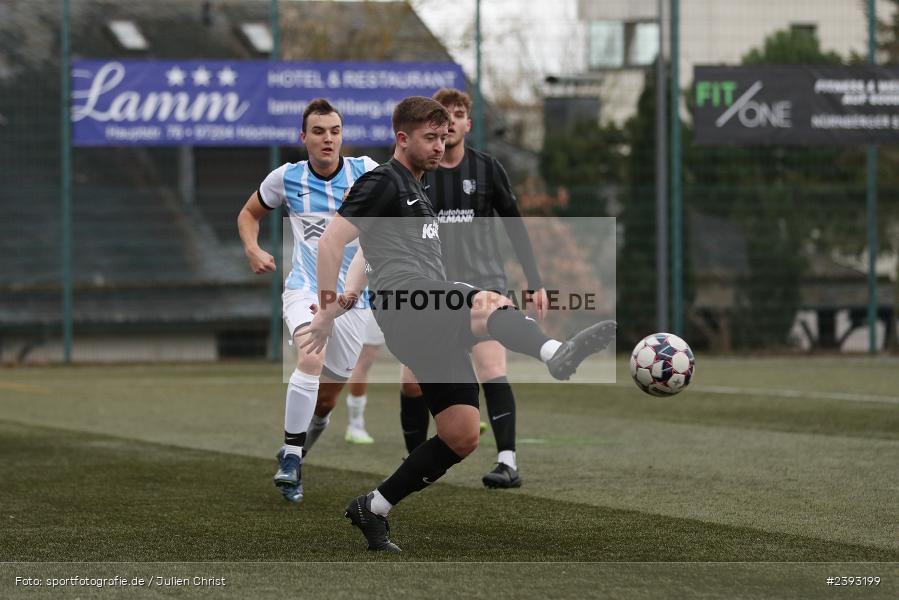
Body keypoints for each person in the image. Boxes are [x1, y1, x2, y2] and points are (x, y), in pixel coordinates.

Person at [300, 96, 616, 552]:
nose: (439, 146)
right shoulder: (383, 181)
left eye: (443, 137)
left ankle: (374, 506)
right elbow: (332, 242)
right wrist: (327, 309)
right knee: (486, 299)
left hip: (421, 316)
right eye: (429, 137)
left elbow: (367, 254)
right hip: (409, 303)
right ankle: (554, 354)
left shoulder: (417, 188)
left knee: (461, 434)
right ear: (402, 138)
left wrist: (349, 296)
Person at [398, 87, 547, 489]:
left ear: (466, 122)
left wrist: (535, 283)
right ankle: (416, 461)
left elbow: (515, 226)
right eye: (443, 115)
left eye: (458, 114)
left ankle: (507, 462)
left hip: (484, 285)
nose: (451, 121)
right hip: (432, 291)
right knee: (411, 381)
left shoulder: (486, 169)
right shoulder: (415, 174)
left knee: (492, 369)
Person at [237, 98, 378, 503]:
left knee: (328, 398)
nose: (328, 139)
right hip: (305, 289)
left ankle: (295, 454)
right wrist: (252, 247)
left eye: (334, 131)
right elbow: (249, 213)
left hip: (353, 299)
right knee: (310, 358)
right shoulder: (286, 178)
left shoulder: (366, 172)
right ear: (304, 138)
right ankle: (293, 458)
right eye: (318, 132)